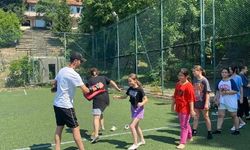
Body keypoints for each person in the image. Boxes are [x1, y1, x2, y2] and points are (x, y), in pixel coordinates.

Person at [51, 51, 104, 150]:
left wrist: (57, 88)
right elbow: (86, 90)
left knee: (59, 128)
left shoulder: (62, 70)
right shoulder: (74, 74)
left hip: (57, 104)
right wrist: (98, 86)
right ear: (75, 61)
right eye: (80, 61)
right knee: (76, 129)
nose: (81, 63)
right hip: (66, 106)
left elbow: (54, 84)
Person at [113, 73, 148, 150]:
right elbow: (125, 96)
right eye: (128, 81)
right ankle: (142, 140)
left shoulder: (140, 89)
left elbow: (146, 99)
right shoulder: (130, 88)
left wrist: (141, 103)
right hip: (133, 108)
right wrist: (117, 97)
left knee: (132, 126)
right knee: (136, 126)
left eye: (130, 81)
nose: (129, 83)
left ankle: (135, 144)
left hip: (139, 110)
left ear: (135, 80)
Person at [87, 67, 121, 143]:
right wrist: (117, 88)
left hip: (98, 100)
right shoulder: (103, 77)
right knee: (100, 112)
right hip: (106, 100)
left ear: (91, 73)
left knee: (96, 117)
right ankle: (102, 127)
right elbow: (111, 82)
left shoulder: (90, 80)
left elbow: (87, 91)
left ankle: (96, 135)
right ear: (97, 72)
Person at [172, 68, 196, 149]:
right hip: (179, 107)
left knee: (183, 125)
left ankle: (182, 142)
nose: (180, 77)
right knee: (185, 123)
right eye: (179, 75)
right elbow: (175, 96)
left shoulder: (189, 86)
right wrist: (173, 105)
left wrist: (192, 110)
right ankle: (189, 136)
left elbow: (191, 99)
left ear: (186, 76)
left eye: (181, 76)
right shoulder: (178, 84)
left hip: (186, 108)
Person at [212, 68, 240, 135]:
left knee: (234, 115)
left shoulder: (231, 81)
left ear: (228, 73)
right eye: (222, 72)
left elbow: (236, 91)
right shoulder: (219, 81)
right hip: (222, 102)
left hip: (231, 102)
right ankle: (218, 129)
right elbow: (218, 92)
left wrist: (226, 92)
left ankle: (237, 130)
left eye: (225, 72)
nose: (224, 73)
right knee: (220, 115)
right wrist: (216, 99)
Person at [191, 65, 213, 139]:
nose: (193, 72)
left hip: (203, 103)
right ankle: (194, 131)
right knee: (196, 117)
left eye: (194, 71)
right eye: (193, 71)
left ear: (199, 71)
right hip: (196, 102)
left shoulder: (204, 80)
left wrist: (206, 104)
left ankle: (209, 132)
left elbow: (207, 93)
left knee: (206, 117)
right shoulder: (194, 79)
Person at [229, 66, 246, 131]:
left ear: (234, 70)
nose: (229, 70)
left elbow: (241, 88)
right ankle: (241, 122)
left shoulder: (238, 77)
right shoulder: (229, 78)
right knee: (232, 112)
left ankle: (236, 125)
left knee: (234, 113)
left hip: (237, 97)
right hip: (230, 98)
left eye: (230, 69)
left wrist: (241, 97)